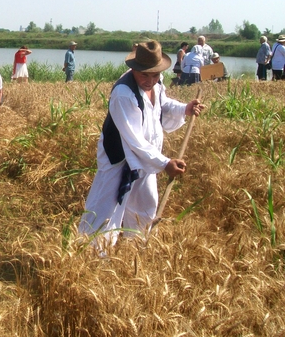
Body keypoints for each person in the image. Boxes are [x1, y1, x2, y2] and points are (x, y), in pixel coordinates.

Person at [78, 40, 204, 248]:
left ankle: (133, 247)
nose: (150, 80)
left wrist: (185, 109)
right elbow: (134, 141)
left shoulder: (156, 81)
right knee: (106, 208)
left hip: (147, 157)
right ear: (134, 68)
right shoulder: (123, 94)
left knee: (145, 204)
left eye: (154, 74)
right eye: (144, 74)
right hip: (120, 157)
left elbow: (162, 103)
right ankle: (91, 253)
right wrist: (165, 163)